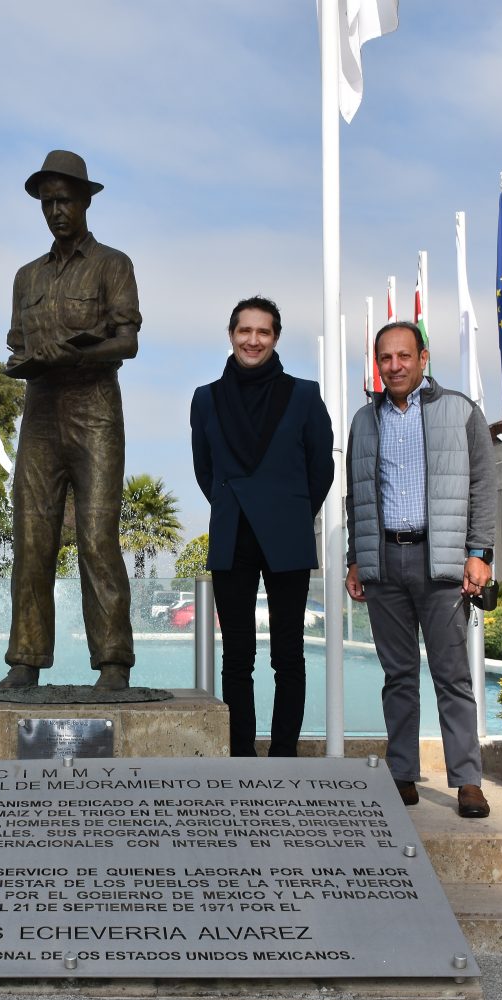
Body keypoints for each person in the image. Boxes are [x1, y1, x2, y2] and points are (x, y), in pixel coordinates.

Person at [0, 149, 141, 691]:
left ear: (85, 201)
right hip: (40, 415)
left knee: (98, 539)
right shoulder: (26, 276)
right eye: (46, 203)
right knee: (32, 538)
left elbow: (126, 340)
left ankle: (113, 662)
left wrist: (78, 354)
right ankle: (25, 659)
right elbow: (15, 345)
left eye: (64, 200)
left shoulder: (112, 265)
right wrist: (30, 360)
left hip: (95, 412)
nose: (55, 211)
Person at [345, 321, 496, 818]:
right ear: (378, 363)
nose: (395, 366)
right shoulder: (365, 421)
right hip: (385, 563)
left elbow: (483, 487)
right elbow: (358, 497)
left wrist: (481, 552)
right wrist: (355, 558)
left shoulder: (460, 411)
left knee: (452, 675)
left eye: (404, 356)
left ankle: (467, 780)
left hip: (444, 563)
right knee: (398, 674)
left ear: (423, 357)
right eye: (385, 358)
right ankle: (402, 773)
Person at [191, 297, 334, 757]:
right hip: (233, 534)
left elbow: (321, 469)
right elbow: (204, 468)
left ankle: (284, 755)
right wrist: (232, 506)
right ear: (231, 335)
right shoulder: (206, 398)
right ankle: (241, 755)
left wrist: (291, 511)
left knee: (288, 656)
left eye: (263, 332)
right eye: (244, 331)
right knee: (237, 658)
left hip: (287, 537)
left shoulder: (305, 395)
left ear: (275, 337)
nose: (253, 340)